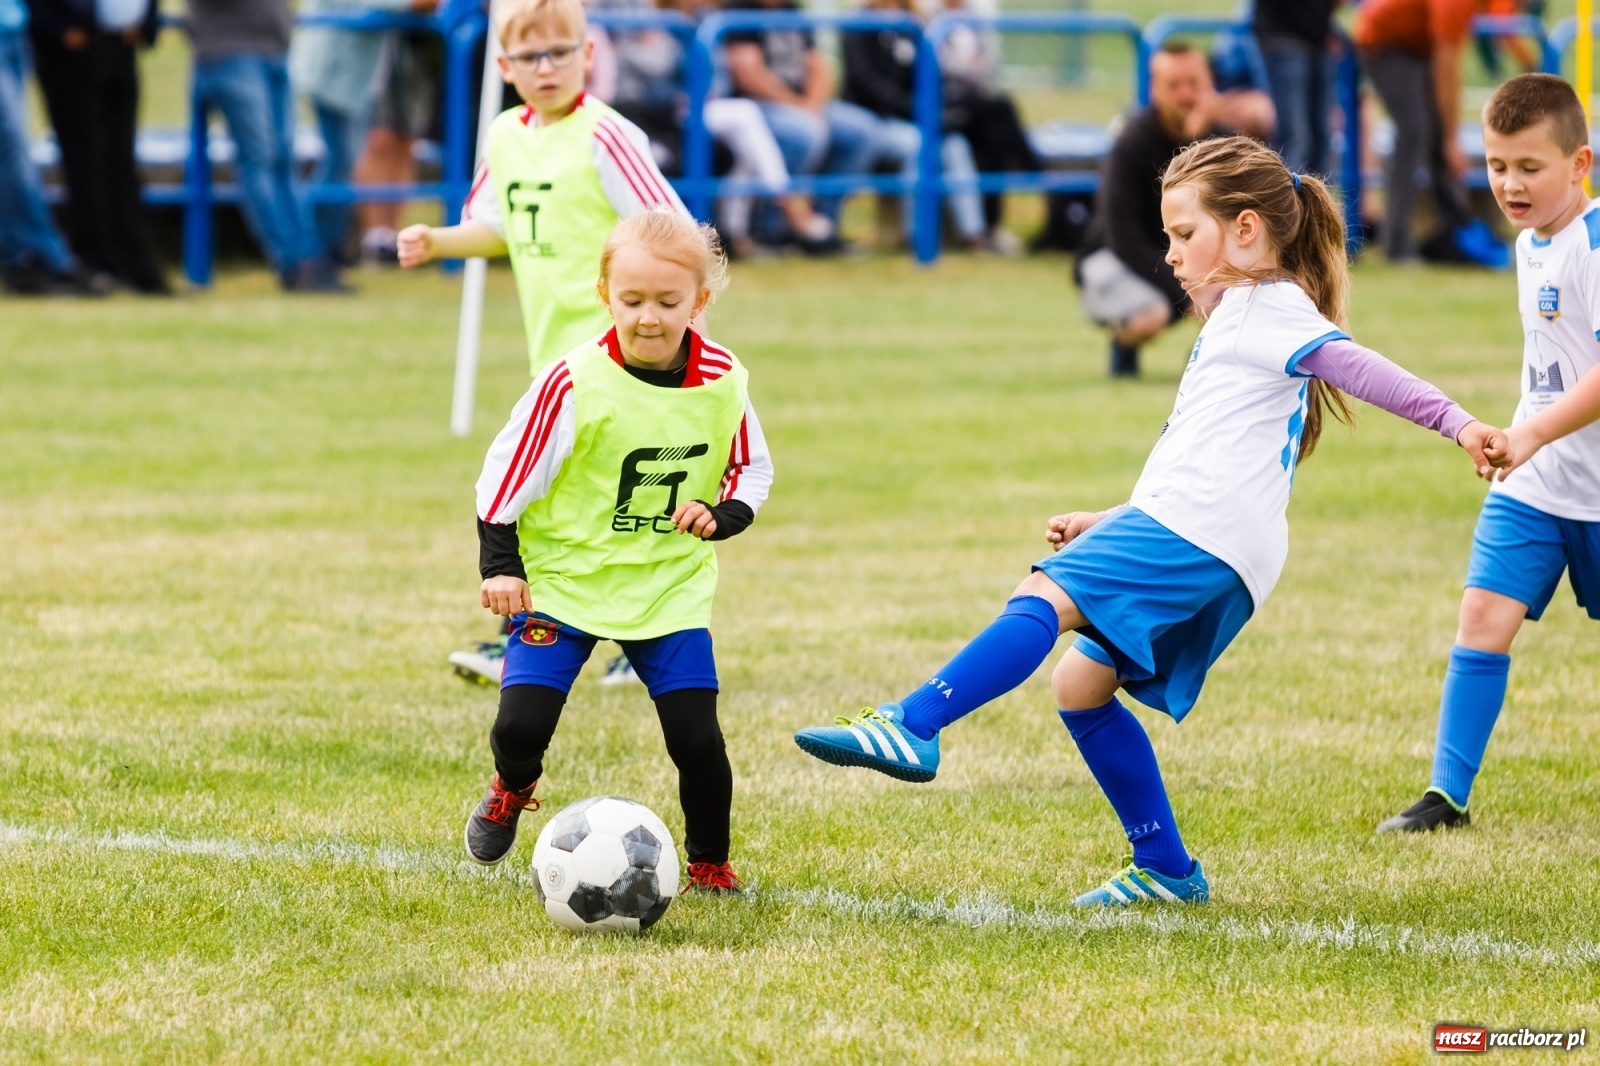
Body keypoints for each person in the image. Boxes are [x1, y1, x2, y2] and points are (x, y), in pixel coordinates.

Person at [793, 135, 1505, 906]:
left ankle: (913, 722)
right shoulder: (1235, 321)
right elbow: (1202, 462)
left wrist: (1459, 424)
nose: (1169, 254)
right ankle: (1165, 868)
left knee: (1044, 595)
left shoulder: (1271, 311)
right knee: (1080, 684)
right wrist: (1114, 518)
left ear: (1245, 231)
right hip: (1211, 534)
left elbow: (1363, 369)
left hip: (1205, 533)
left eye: (1183, 234)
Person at [462, 210, 773, 895]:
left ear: (700, 300)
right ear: (606, 295)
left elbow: (751, 469)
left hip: (666, 586)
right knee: (520, 726)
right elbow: (502, 478)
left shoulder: (723, 379)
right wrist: (501, 567)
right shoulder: (572, 382)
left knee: (698, 741)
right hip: (564, 582)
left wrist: (721, 515)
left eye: (669, 302)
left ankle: (710, 865)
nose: (650, 318)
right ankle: (512, 787)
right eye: (632, 301)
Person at [399, 0, 689, 687]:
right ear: (503, 67)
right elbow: (497, 223)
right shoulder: (504, 137)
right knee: (551, 500)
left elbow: (671, 231)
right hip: (553, 360)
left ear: (588, 55)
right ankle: (550, 636)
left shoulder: (608, 137)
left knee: (613, 501)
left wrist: (672, 337)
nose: (547, 67)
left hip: (623, 356)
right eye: (531, 57)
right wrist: (439, 240)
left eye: (562, 52)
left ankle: (628, 638)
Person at [1379, 75, 1600, 833]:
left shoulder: (1593, 247)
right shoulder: (1528, 245)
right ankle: (1448, 795)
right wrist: (1522, 437)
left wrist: (1534, 431)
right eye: (1497, 165)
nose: (1509, 183)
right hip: (1537, 485)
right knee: (1481, 615)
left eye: (1529, 168)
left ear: (1581, 164)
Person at [1073, 42, 1228, 379]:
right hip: (1117, 258)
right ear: (1154, 90)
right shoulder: (1131, 144)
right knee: (1150, 313)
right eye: (1174, 86)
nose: (1186, 95)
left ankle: (1212, 359)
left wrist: (1203, 138)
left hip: (1183, 260)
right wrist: (1186, 296)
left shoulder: (1223, 143)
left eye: (1194, 84)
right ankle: (1124, 342)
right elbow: (1121, 237)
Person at [187, 0, 347, 292]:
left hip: (274, 51)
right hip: (229, 52)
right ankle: (292, 261)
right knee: (261, 158)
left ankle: (308, 257)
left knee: (285, 159)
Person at [24, 0, 168, 294]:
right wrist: (60, 29)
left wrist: (144, 23)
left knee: (122, 160)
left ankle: (138, 266)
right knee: (84, 161)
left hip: (120, 46)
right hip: (69, 49)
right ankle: (99, 263)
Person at [290, 0, 436, 264]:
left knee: (342, 163)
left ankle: (324, 248)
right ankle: (308, 249)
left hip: (352, 76)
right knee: (342, 162)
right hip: (331, 73)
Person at [840, 0, 993, 251]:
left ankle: (973, 234)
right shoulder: (859, 23)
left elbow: (929, 75)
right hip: (875, 119)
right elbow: (867, 84)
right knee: (918, 145)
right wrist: (917, 111)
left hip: (914, 118)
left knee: (955, 146)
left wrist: (935, 112)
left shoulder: (914, 24)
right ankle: (917, 237)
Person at [723, 0, 881, 229]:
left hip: (802, 105)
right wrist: (799, 106)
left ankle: (826, 222)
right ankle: (774, 226)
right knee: (805, 133)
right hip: (758, 105)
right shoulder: (739, 9)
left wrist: (812, 106)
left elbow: (820, 66)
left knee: (863, 131)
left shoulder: (793, 10)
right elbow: (747, 75)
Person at [1354, 0, 1488, 264]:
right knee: (1413, 132)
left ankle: (1456, 232)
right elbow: (1447, 69)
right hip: (1385, 42)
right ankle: (1396, 244)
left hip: (1417, 45)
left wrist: (1448, 135)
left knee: (1433, 134)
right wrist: (1452, 138)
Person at [0, 0, 107, 295]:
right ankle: (46, 257)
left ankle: (22, 261)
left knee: (12, 154)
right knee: (13, 151)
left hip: (13, 29)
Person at [1252, 0, 1339, 175]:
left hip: (1319, 38)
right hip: (1282, 37)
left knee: (1322, 136)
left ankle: (1317, 200)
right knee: (1295, 135)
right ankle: (1288, 199)